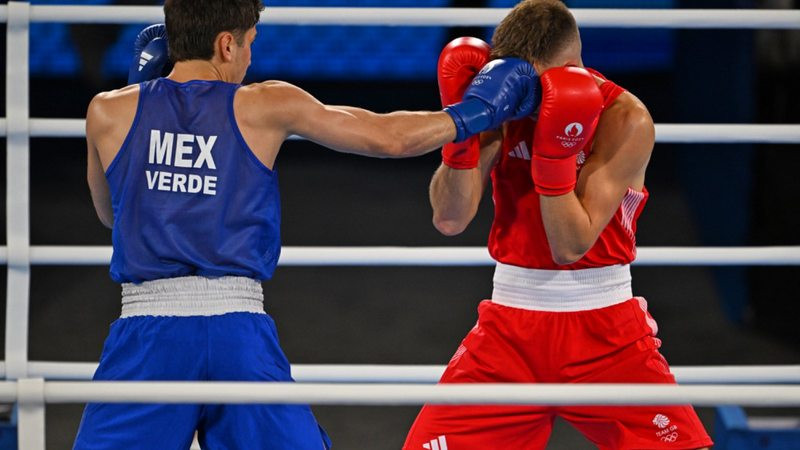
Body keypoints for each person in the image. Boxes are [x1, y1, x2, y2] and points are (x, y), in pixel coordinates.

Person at [76, 0, 538, 448]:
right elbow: (389, 139)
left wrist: (147, 127)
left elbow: (112, 215)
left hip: (147, 335)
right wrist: (472, 114)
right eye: (249, 43)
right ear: (226, 45)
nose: (249, 58)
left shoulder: (107, 111)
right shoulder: (267, 104)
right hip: (237, 333)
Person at [403, 1, 714, 449]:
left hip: (607, 332)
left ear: (568, 70)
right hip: (509, 328)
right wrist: (464, 130)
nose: (519, 94)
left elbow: (571, 244)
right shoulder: (504, 105)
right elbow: (449, 218)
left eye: (532, 84)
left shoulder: (625, 119)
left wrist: (555, 152)